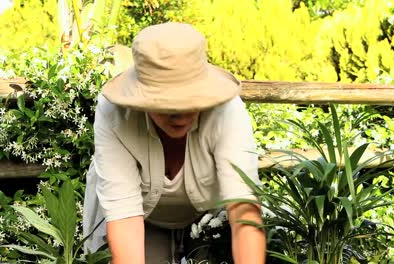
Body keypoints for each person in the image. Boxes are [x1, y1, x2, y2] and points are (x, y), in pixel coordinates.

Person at [83, 22, 266, 264]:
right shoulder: (114, 114)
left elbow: (243, 211)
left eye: (188, 101)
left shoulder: (227, 113)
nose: (179, 115)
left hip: (205, 217)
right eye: (166, 103)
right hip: (140, 219)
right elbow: (125, 220)